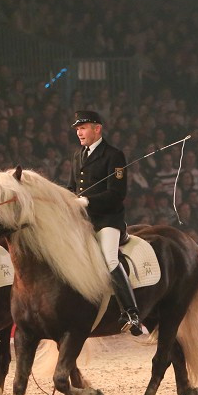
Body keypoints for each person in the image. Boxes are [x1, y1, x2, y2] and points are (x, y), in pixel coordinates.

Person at [68, 110, 143, 335]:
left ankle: (132, 312)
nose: (79, 133)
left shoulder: (114, 155)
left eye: (83, 128)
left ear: (97, 129)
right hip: (84, 221)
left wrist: (86, 201)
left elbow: (117, 193)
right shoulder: (76, 155)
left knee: (109, 258)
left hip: (108, 220)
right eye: (77, 129)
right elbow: (73, 188)